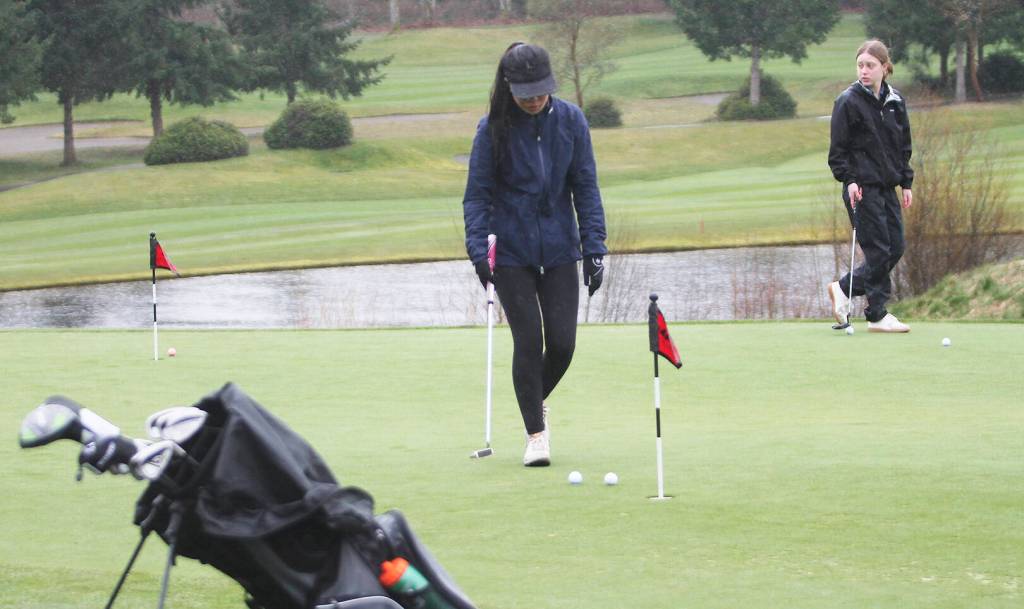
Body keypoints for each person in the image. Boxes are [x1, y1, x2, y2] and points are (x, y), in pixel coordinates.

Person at [462, 42, 608, 467]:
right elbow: (476, 198)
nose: (533, 100)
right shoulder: (491, 130)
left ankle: (532, 399)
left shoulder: (571, 121)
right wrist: (478, 251)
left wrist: (595, 246)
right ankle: (535, 435)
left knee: (562, 344)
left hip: (561, 247)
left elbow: (586, 188)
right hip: (511, 252)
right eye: (525, 93)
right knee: (528, 342)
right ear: (509, 88)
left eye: (539, 92)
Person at [827, 39, 914, 333]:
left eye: (870, 66)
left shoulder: (895, 102)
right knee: (878, 250)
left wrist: (906, 182)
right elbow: (838, 152)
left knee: (896, 247)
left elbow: (903, 146)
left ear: (885, 68)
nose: (864, 71)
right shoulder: (847, 101)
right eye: (860, 65)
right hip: (860, 187)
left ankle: (844, 288)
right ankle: (876, 314)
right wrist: (849, 180)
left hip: (887, 186)